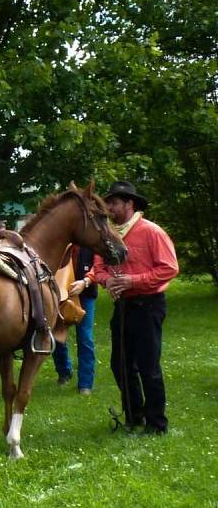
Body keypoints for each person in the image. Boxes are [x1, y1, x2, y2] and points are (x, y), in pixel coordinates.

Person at [89, 180, 179, 434]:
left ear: (129, 204)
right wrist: (109, 282)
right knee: (120, 364)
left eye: (114, 203)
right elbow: (98, 268)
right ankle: (134, 415)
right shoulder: (108, 234)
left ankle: (156, 423)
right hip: (123, 306)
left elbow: (169, 268)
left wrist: (132, 280)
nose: (109, 208)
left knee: (148, 366)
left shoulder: (151, 232)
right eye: (108, 203)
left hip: (148, 305)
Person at [53, 246, 97, 395]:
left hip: (85, 293)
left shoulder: (90, 239)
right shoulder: (61, 238)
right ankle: (64, 371)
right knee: (57, 336)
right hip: (60, 293)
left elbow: (99, 266)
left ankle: (85, 384)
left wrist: (85, 281)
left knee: (85, 337)